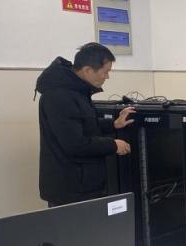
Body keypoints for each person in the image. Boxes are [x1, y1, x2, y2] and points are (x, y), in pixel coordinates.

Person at [36, 43, 135, 208]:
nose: (107, 77)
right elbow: (75, 144)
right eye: (105, 72)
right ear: (88, 70)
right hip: (70, 190)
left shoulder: (77, 92)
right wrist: (113, 145)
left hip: (83, 185)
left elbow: (85, 124)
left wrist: (113, 124)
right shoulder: (60, 96)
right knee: (76, 226)